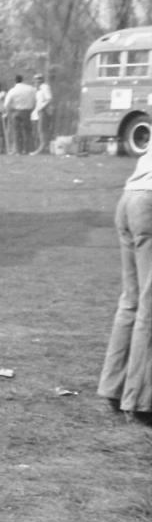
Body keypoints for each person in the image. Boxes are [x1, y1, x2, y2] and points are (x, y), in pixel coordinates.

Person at [97, 152, 152, 426]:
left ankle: (113, 388)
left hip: (129, 199)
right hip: (149, 203)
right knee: (149, 306)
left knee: (131, 301)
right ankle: (140, 401)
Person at [5, 74, 37, 154]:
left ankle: (19, 150)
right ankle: (27, 149)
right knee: (27, 131)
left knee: (17, 132)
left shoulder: (12, 90)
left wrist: (10, 111)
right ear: (22, 80)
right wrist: (32, 108)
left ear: (15, 81)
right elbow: (35, 100)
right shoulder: (30, 89)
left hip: (16, 112)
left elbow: (6, 104)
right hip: (27, 111)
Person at [32, 73, 54, 154]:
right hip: (40, 111)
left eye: (38, 80)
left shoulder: (45, 87)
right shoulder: (38, 89)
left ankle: (43, 147)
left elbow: (49, 98)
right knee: (41, 129)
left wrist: (42, 107)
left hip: (44, 111)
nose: (36, 82)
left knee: (42, 129)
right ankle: (44, 147)